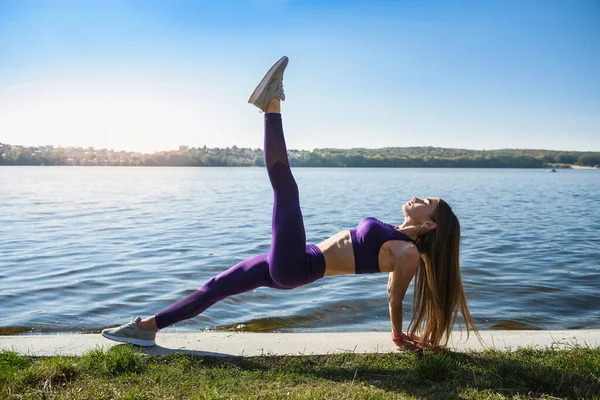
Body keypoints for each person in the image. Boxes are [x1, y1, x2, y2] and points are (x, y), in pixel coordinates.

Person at [102, 56, 478, 351]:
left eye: (426, 201)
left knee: (286, 191)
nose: (418, 197)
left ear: (431, 225)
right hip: (295, 260)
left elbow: (394, 297)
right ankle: (144, 329)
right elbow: (387, 284)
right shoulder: (397, 236)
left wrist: (397, 335)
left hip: (299, 265)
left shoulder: (408, 253)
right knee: (215, 286)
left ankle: (271, 103)